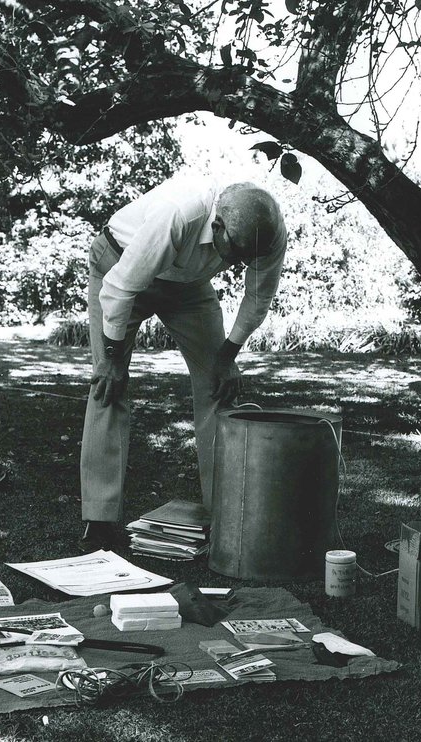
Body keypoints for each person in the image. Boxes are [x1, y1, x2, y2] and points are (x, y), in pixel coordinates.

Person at [80, 172, 287, 545]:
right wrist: (110, 358)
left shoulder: (265, 233)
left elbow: (257, 299)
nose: (241, 264)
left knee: (218, 385)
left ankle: (225, 512)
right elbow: (119, 287)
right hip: (119, 263)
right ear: (217, 225)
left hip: (187, 283)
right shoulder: (179, 213)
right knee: (109, 384)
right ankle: (100, 519)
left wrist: (227, 355)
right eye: (236, 253)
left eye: (248, 257)